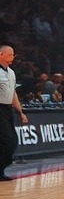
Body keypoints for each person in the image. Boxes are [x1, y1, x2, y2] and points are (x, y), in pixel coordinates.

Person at [0, 45, 27, 181]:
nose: (13, 57)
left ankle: (1, 170)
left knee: (13, 141)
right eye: (10, 54)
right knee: (8, 141)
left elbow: (13, 93)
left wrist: (20, 112)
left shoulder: (11, 72)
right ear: (1, 55)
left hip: (7, 109)